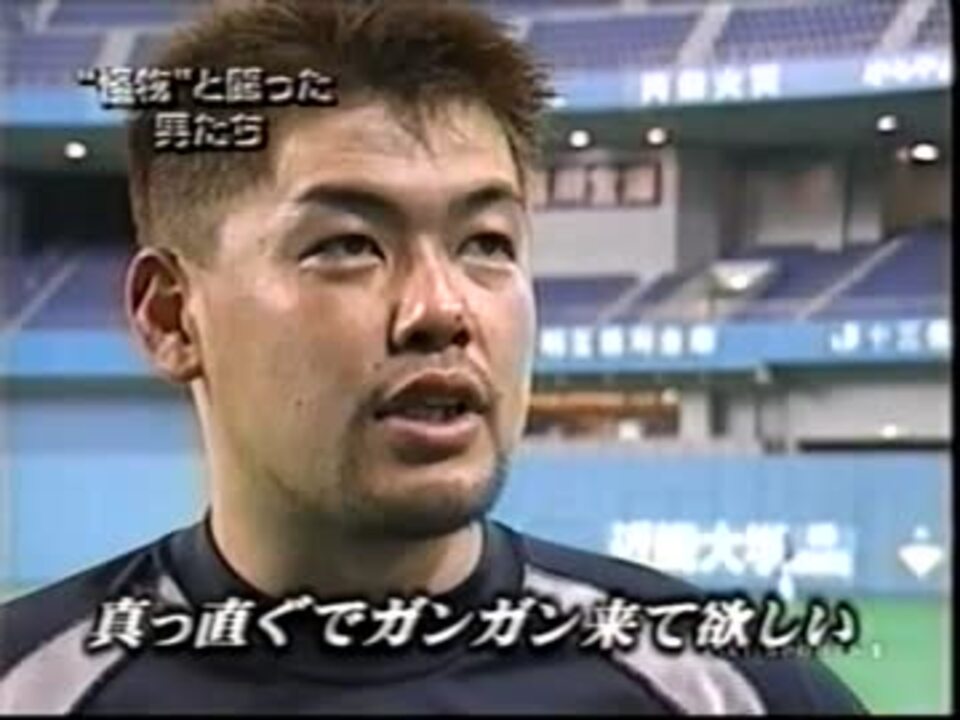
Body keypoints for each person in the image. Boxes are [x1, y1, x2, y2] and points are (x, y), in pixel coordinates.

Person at [0, 0, 868, 713]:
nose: (441, 310)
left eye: (486, 242)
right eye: (346, 245)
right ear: (171, 317)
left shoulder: (728, 688)